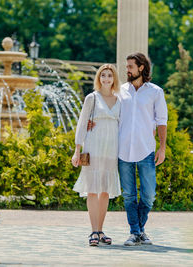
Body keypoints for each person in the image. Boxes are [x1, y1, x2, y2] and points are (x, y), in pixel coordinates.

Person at [118, 53, 167, 246]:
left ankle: (138, 231)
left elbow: (162, 121)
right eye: (127, 66)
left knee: (149, 195)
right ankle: (136, 231)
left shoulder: (155, 92)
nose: (127, 70)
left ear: (141, 68)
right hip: (123, 150)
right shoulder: (120, 91)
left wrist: (162, 148)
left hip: (146, 149)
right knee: (129, 195)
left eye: (130, 66)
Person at [71, 64, 121, 246]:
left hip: (111, 149)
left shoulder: (120, 100)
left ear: (114, 78)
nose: (106, 79)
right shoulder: (91, 98)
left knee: (105, 191)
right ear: (98, 78)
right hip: (93, 147)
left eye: (109, 75)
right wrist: (77, 150)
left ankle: (101, 231)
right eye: (103, 76)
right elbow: (82, 123)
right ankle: (93, 231)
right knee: (92, 190)